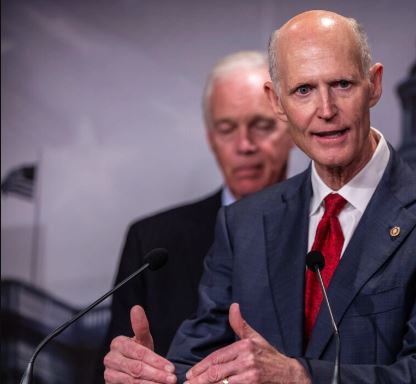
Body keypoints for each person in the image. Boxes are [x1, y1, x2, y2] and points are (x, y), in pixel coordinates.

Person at [103, 10, 416, 384]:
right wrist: (159, 375)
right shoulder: (244, 224)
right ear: (278, 102)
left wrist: (302, 377)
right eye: (304, 90)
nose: (325, 110)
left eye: (342, 84)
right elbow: (200, 361)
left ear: (373, 85)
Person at [104, 50, 293, 359]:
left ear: (291, 131)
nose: (244, 145)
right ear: (210, 139)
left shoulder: (328, 229)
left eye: (261, 125)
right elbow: (109, 371)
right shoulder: (152, 242)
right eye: (227, 129)